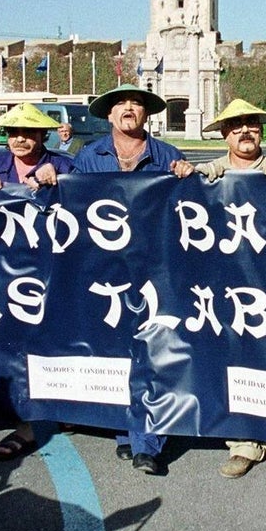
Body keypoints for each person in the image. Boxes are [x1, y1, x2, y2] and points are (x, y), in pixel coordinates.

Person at [73, 84, 194, 475]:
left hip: (155, 269)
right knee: (113, 350)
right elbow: (69, 202)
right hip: (105, 270)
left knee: (152, 352)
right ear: (109, 115)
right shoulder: (88, 157)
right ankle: (125, 430)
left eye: (137, 104)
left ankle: (147, 443)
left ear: (147, 115)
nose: (128, 108)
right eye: (120, 104)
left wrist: (188, 176)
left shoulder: (168, 156)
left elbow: (190, 206)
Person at [181, 99, 266, 478]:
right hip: (227, 283)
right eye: (235, 126)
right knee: (233, 357)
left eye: (251, 124)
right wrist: (189, 174)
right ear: (224, 134)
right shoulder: (210, 173)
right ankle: (243, 441)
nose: (245, 131)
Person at [0, 103, 74, 461]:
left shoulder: (64, 164)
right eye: (14, 132)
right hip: (6, 269)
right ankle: (25, 419)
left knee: (56, 341)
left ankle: (59, 409)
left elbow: (87, 198)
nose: (20, 139)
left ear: (43, 135)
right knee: (14, 345)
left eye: (29, 132)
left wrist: (60, 178)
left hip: (54, 268)